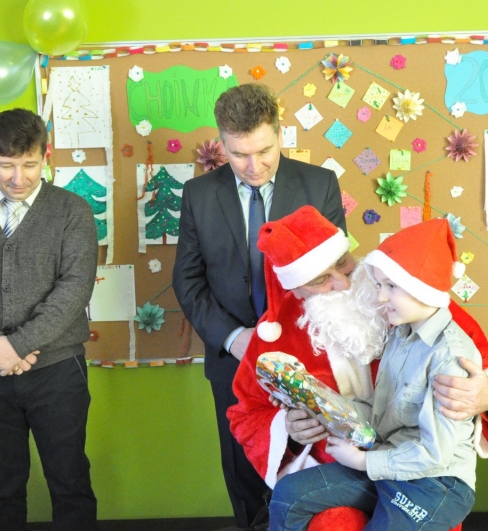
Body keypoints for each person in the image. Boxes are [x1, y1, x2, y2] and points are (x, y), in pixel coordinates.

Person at [227, 207, 488, 530]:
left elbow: (480, 359)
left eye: (342, 262)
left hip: (421, 471)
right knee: (328, 520)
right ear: (295, 288)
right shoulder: (275, 332)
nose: (343, 283)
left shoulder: (400, 290)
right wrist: (288, 428)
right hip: (343, 461)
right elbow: (246, 414)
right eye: (321, 279)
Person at [172, 83, 346, 528]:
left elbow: (336, 277)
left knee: (315, 470)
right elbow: (187, 280)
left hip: (310, 359)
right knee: (243, 471)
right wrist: (234, 338)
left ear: (280, 133)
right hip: (234, 362)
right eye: (239, 155)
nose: (254, 166)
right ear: (222, 143)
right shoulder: (197, 195)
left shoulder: (319, 184)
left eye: (264, 151)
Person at [0, 108, 98, 531]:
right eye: (6, 165)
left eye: (30, 164)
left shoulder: (72, 212)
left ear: (45, 156)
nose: (18, 178)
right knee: (1, 488)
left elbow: (74, 289)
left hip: (58, 371)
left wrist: (17, 345)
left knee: (69, 480)